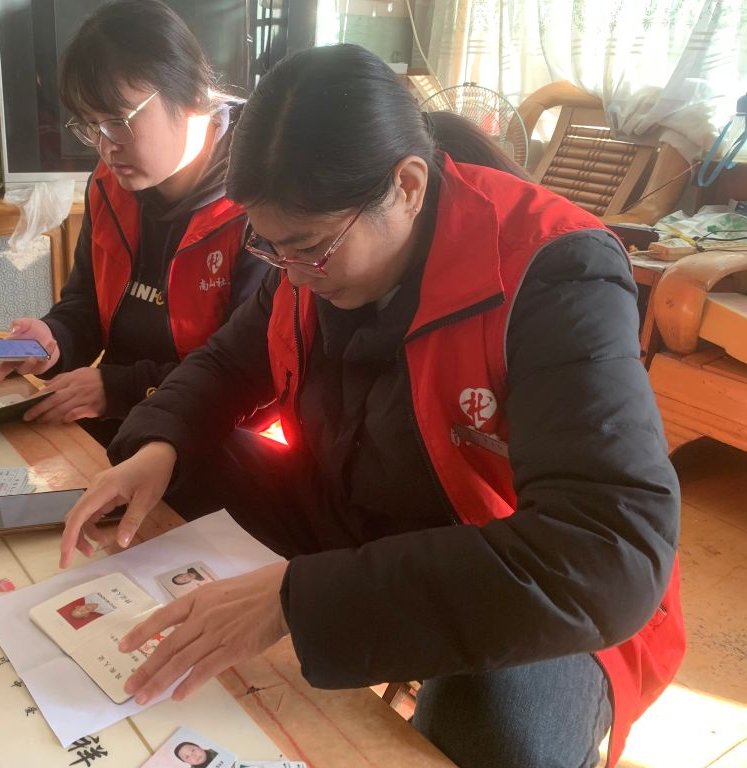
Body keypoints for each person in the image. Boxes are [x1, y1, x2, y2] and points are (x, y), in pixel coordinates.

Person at [57, 44, 684, 768]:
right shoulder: (308, 253)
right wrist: (158, 446)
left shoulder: (556, 270)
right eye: (271, 249)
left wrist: (293, 601)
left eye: (308, 250)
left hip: (500, 559)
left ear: (408, 186)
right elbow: (229, 362)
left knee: (494, 728)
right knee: (177, 460)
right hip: (352, 502)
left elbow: (609, 551)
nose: (292, 275)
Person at [0, 0, 270, 448]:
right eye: (91, 126)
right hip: (119, 418)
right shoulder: (109, 185)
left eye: (118, 122)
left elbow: (250, 375)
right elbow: (85, 305)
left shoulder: (261, 203)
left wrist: (120, 388)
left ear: (192, 98)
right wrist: (53, 338)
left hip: (210, 436)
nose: (105, 148)